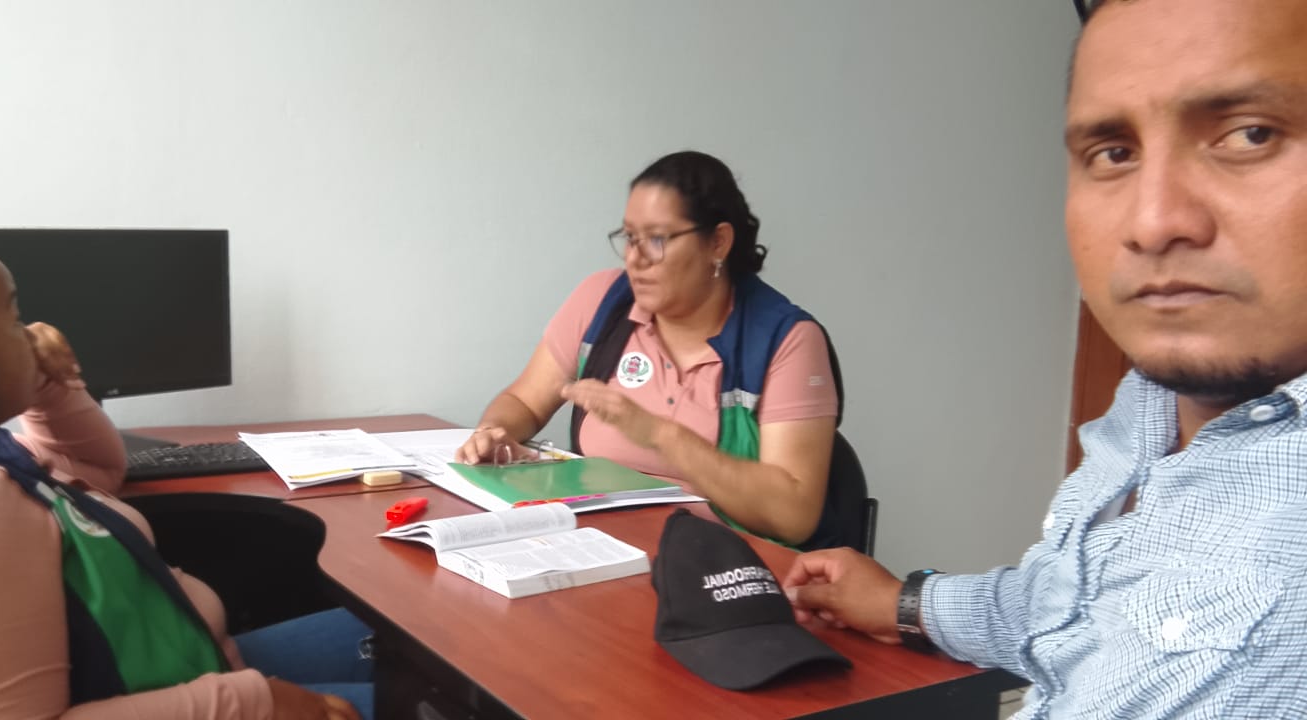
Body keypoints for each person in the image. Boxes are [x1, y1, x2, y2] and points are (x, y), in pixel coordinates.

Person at [781, 0, 1307, 717]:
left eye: (1250, 134)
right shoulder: (1155, 399)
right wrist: (907, 603)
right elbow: (1070, 605)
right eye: (1114, 152)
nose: (1152, 222)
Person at [0, 217, 369, 719]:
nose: (32, 332)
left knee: (408, 638)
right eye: (13, 318)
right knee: (427, 687)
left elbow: (93, 471)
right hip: (184, 690)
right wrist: (255, 703)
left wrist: (48, 387)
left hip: (189, 661)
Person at [456, 151, 843, 547]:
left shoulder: (787, 340)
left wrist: (660, 435)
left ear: (718, 242)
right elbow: (524, 400)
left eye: (657, 239)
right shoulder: (603, 301)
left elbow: (793, 517)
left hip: (723, 563)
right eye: (630, 238)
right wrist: (494, 434)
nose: (635, 259)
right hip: (596, 545)